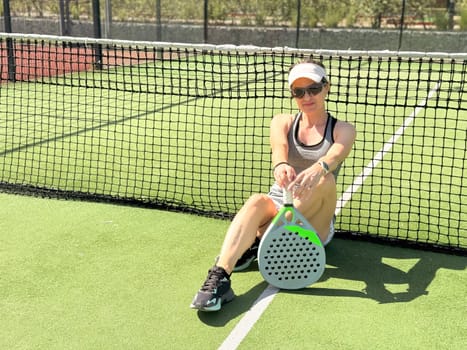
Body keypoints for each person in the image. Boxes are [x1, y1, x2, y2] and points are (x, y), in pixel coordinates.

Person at [190, 59, 357, 312]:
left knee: (326, 178)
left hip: (314, 217)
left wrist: (318, 168)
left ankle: (257, 239)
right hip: (280, 201)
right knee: (257, 200)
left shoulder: (343, 129)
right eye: (298, 92)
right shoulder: (282, 121)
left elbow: (334, 156)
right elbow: (279, 148)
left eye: (313, 88)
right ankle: (220, 278)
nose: (306, 96)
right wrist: (280, 165)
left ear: (326, 87)